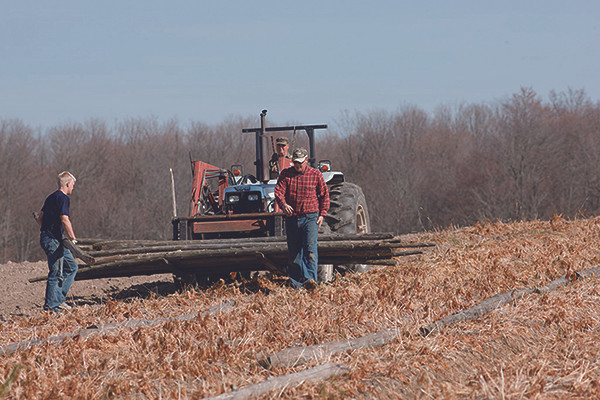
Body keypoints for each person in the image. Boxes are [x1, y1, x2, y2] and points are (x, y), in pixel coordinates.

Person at [274, 148, 330, 289]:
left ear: (306, 161)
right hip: (292, 218)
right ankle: (297, 284)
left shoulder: (315, 174)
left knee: (310, 250)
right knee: (294, 253)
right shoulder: (286, 174)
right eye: (295, 163)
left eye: (300, 163)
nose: (298, 166)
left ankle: (310, 281)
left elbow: (324, 195)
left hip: (310, 217)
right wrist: (283, 204)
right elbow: (278, 192)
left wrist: (322, 214)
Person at [34, 171, 79, 312]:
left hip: (53, 239)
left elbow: (40, 218)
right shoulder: (63, 198)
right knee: (56, 273)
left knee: (72, 267)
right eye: (73, 185)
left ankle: (58, 299)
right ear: (67, 184)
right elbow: (64, 219)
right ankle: (51, 307)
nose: (73, 187)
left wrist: (48, 230)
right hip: (53, 240)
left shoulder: (50, 197)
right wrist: (73, 237)